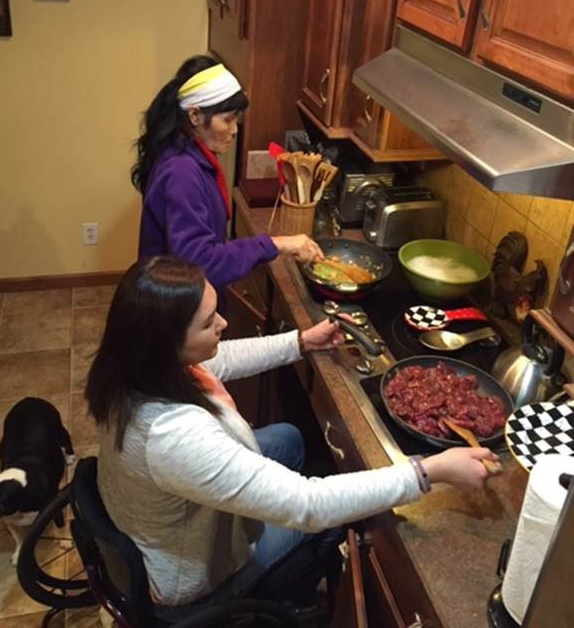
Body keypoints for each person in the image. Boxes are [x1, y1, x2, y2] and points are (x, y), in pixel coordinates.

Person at [85, 256, 500, 621]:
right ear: (168, 342)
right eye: (209, 321)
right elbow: (308, 504)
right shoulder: (172, 436)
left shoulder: (132, 365)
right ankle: (296, 602)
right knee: (336, 520)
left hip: (163, 515)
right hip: (190, 577)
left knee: (288, 439)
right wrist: (429, 472)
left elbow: (219, 359)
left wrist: (300, 342)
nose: (223, 323)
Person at [132, 55, 323, 309]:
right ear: (195, 115)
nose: (234, 129)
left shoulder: (189, 155)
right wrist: (277, 244)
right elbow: (200, 264)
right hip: (174, 316)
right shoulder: (181, 173)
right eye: (228, 119)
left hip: (180, 305)